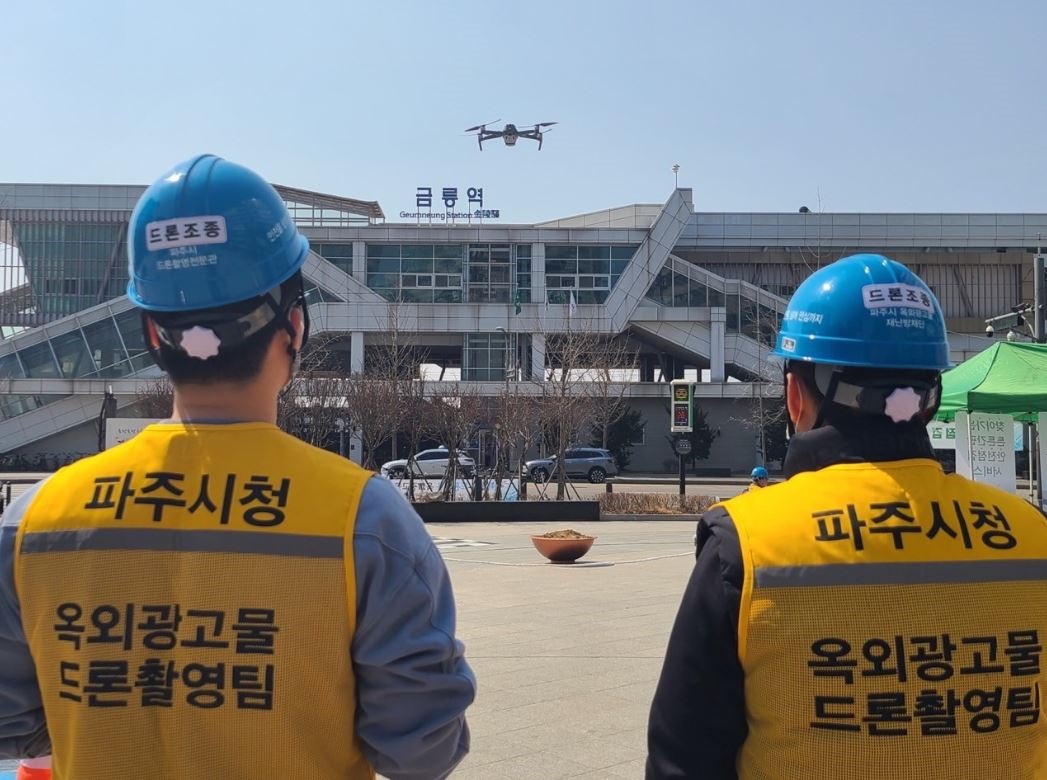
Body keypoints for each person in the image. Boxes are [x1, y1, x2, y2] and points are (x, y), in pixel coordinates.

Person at [0, 154, 475, 779]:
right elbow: (422, 750)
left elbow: (13, 726)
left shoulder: (33, 522)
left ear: (151, 334)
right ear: (294, 327)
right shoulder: (365, 522)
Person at [647, 254, 1047, 779]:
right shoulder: (1031, 533)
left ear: (795, 395)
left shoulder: (747, 543)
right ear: (931, 399)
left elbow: (682, 763)